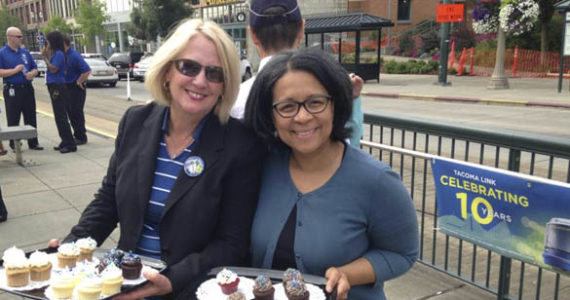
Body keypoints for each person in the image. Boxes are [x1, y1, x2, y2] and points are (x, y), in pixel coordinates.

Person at [51, 18, 264, 299]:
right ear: (166, 71)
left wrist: (172, 279)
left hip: (191, 289)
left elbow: (232, 243)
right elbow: (107, 201)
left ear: (225, 85)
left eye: (215, 73)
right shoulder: (135, 122)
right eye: (189, 67)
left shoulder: (241, 145)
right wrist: (70, 250)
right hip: (124, 282)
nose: (201, 81)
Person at [244, 48, 419, 300]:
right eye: (287, 106)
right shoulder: (261, 167)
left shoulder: (377, 180)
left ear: (335, 104)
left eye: (316, 102)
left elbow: (403, 253)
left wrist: (348, 273)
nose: (303, 116)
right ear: (270, 115)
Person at [231, 0, 364, 146]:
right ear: (302, 28)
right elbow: (349, 149)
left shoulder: (234, 101)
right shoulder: (329, 88)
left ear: (252, 34)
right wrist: (351, 99)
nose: (302, 117)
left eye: (314, 103)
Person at [0, 27, 43, 151]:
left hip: (27, 88)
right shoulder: (2, 53)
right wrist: (15, 70)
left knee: (30, 115)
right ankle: (15, 143)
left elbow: (34, 68)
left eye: (21, 36)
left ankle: (33, 142)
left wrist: (32, 73)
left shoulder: (25, 52)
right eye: (18, 36)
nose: (21, 39)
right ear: (10, 37)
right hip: (12, 89)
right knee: (13, 116)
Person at [42, 31, 76, 153]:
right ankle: (64, 139)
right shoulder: (56, 54)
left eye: (48, 41)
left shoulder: (59, 54)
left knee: (61, 115)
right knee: (58, 115)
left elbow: (54, 69)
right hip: (54, 85)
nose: (47, 44)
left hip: (57, 86)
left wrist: (45, 58)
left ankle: (70, 143)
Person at [63, 35, 91, 145]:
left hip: (74, 88)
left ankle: (81, 136)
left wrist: (79, 81)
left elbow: (87, 70)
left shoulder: (73, 55)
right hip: (66, 87)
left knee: (76, 112)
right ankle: (77, 134)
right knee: (70, 112)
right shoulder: (63, 55)